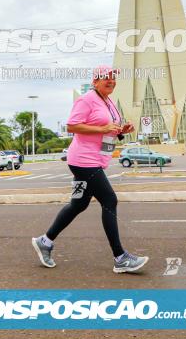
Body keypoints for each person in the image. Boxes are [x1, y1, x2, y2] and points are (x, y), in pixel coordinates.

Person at [32, 65, 149, 273]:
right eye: (106, 78)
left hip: (94, 159)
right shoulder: (87, 99)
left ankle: (45, 241)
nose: (111, 80)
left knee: (78, 205)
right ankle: (120, 258)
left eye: (113, 77)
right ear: (95, 81)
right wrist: (102, 128)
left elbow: (109, 130)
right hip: (83, 161)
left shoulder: (108, 101)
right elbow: (72, 125)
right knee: (110, 200)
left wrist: (122, 130)